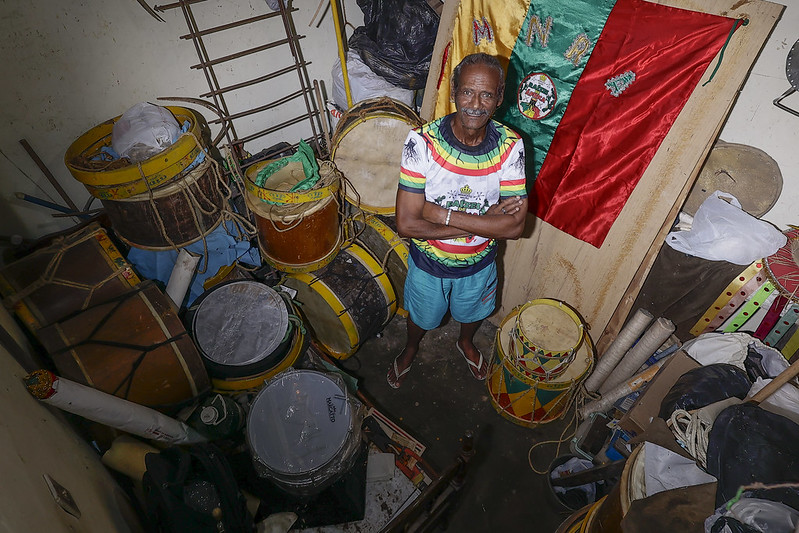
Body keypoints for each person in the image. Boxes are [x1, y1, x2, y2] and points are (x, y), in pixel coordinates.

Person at [387, 53, 528, 389]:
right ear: (453, 91)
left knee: (472, 315)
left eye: (486, 95)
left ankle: (465, 342)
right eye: (467, 92)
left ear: (499, 98)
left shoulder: (510, 147)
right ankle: (410, 348)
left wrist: (439, 213)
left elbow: (514, 227)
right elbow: (407, 224)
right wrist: (481, 220)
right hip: (428, 264)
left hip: (479, 265)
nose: (475, 104)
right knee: (420, 317)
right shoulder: (421, 143)